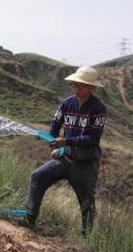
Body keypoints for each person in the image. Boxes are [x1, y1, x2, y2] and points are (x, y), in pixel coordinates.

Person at [23, 66, 107, 236]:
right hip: (65, 157)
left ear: (92, 88)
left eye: (81, 86)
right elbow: (55, 124)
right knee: (37, 177)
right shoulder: (67, 103)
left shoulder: (98, 109)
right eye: (74, 85)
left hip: (85, 163)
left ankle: (86, 240)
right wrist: (53, 143)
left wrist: (65, 141)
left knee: (87, 204)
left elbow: (92, 140)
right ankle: (29, 219)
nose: (76, 88)